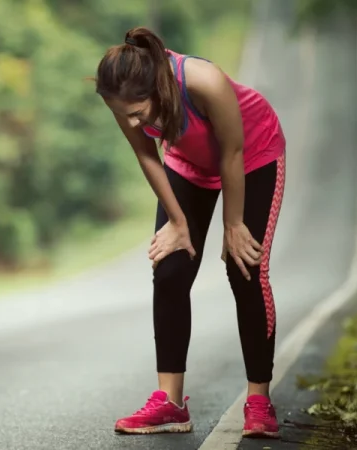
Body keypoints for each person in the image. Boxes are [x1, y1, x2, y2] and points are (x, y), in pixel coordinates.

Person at [93, 26, 286, 439]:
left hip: (252, 154)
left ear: (157, 88)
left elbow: (232, 152)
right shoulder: (120, 94)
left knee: (245, 268)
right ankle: (170, 404)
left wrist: (233, 225)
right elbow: (147, 155)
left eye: (138, 112)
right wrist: (179, 224)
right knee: (169, 268)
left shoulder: (202, 81)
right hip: (187, 164)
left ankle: (258, 400)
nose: (131, 120)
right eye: (122, 113)